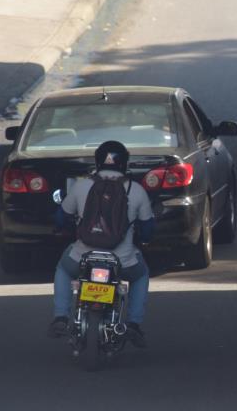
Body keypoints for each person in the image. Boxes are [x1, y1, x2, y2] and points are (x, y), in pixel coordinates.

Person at [47, 140, 155, 348]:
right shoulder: (137, 190)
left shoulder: (82, 186)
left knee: (62, 268)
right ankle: (133, 323)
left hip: (83, 257)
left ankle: (61, 316)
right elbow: (148, 227)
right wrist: (146, 239)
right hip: (121, 260)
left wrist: (63, 226)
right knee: (141, 275)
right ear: (124, 163)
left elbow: (61, 217)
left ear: (98, 161)